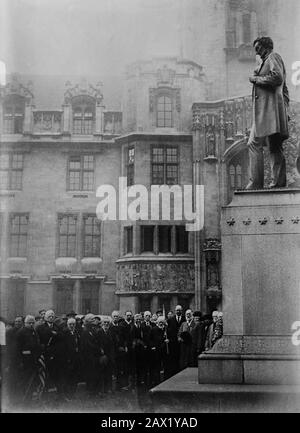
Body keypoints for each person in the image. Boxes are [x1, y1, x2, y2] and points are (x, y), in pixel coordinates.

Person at [246, 36, 290, 190]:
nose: (257, 52)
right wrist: (285, 110)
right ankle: (278, 182)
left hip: (269, 112)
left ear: (266, 47)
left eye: (258, 48)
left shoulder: (273, 57)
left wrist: (256, 79)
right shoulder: (266, 61)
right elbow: (285, 90)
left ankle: (256, 183)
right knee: (274, 145)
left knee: (255, 143)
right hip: (271, 112)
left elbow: (277, 78)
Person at [15, 315, 43, 402]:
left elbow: (36, 345)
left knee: (32, 381)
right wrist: (20, 361)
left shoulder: (34, 331)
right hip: (24, 361)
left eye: (33, 323)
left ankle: (29, 397)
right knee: (25, 381)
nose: (31, 324)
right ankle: (23, 399)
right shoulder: (21, 332)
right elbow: (17, 349)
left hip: (33, 361)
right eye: (29, 323)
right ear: (25, 323)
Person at [63, 317, 81, 398]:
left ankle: (73, 393)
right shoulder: (65, 333)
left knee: (75, 376)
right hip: (68, 359)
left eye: (73, 324)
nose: (71, 326)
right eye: (70, 324)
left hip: (76, 359)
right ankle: (67, 393)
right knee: (68, 377)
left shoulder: (76, 332)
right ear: (67, 325)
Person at [167, 305, 185, 375]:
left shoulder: (184, 319)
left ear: (181, 311)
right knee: (174, 359)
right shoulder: (170, 320)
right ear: (175, 311)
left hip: (182, 343)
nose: (178, 311)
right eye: (177, 310)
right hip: (173, 343)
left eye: (179, 310)